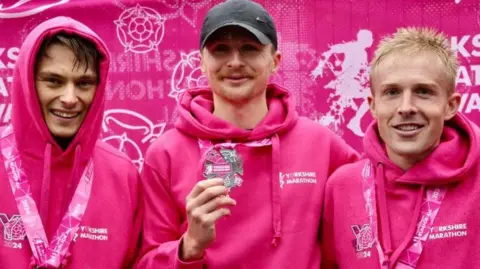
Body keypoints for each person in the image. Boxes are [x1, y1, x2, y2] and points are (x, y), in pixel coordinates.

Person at [137, 0, 358, 268]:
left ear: (275, 61)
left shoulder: (323, 145)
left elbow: (360, 237)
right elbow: (146, 261)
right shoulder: (165, 154)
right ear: (201, 63)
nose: (235, 62)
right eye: (220, 50)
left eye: (250, 49)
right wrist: (190, 246)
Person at [321, 27, 480, 269]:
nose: (406, 107)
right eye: (392, 92)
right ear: (373, 106)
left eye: (423, 92)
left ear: (450, 105)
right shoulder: (342, 186)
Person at [0, 16, 142, 268]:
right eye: (53, 81)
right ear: (27, 83)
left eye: (84, 83)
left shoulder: (123, 174)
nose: (69, 98)